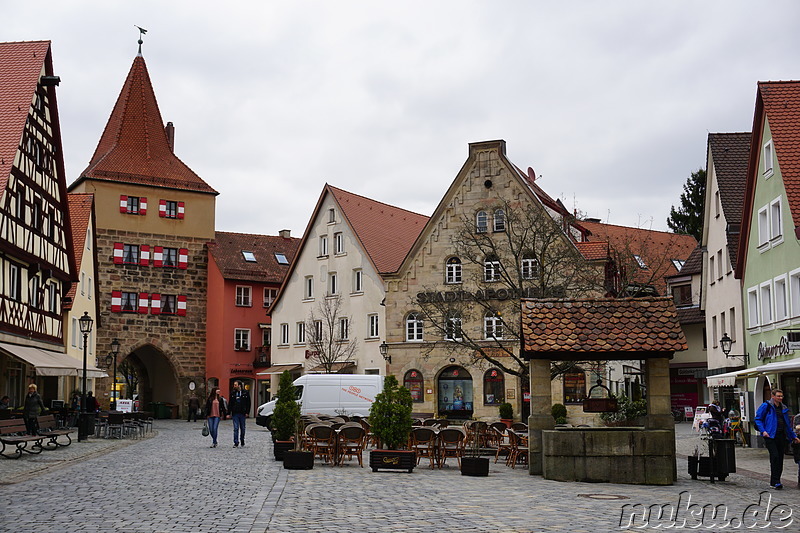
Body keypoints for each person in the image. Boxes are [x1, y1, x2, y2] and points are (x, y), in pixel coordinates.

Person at [753, 389, 800, 489]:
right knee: (774, 456)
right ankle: (775, 481)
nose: (780, 398)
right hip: (770, 436)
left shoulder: (783, 408)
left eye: (781, 396)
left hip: (781, 435)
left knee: (780, 458)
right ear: (773, 396)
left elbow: (787, 424)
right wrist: (763, 431)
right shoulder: (766, 406)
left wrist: (793, 436)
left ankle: (776, 481)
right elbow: (758, 419)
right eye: (778, 396)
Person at [229, 381, 250, 448]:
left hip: (242, 413)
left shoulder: (245, 393)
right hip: (235, 413)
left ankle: (242, 440)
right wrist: (229, 413)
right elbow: (230, 403)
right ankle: (236, 442)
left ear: (239, 385)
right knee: (236, 428)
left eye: (235, 385)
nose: (234, 386)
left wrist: (247, 412)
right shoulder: (233, 393)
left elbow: (248, 403)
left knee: (243, 428)